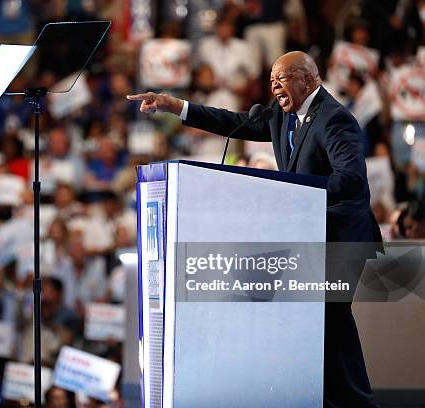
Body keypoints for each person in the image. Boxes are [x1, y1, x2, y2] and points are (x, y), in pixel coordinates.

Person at [128, 50, 382, 408]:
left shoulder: (335, 119)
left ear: (309, 79)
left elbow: (351, 181)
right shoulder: (282, 115)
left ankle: (358, 402)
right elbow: (233, 122)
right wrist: (176, 106)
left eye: (284, 77)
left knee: (332, 321)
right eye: (272, 79)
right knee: (320, 325)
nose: (275, 85)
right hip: (310, 236)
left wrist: (295, 194)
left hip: (341, 238)